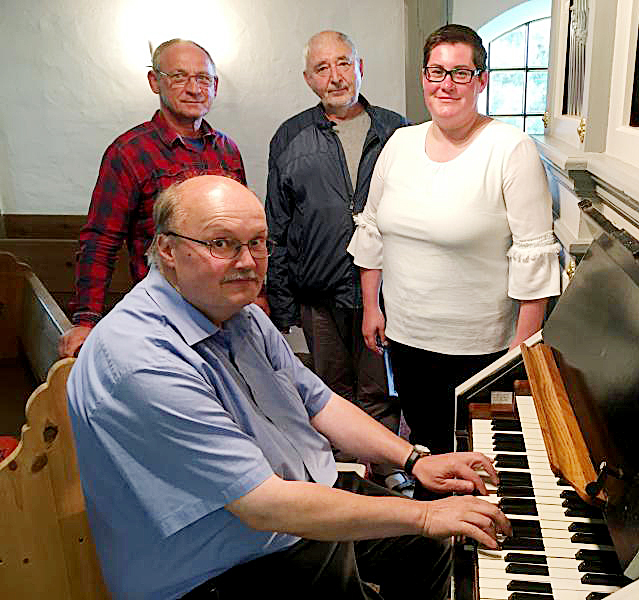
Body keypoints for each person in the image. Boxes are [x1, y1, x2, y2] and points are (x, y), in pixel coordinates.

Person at [67, 175, 510, 600]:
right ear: (167, 248)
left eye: (257, 242)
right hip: (217, 567)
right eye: (221, 243)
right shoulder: (143, 360)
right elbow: (263, 505)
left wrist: (413, 459)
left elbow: (320, 403)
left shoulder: (241, 315)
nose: (246, 261)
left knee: (436, 549)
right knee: (429, 526)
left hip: (290, 508)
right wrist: (426, 513)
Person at [348, 25, 561, 499]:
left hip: (479, 351)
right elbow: (373, 231)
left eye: (460, 73)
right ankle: (430, 544)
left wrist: (518, 354)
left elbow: (535, 259)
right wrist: (371, 307)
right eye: (436, 71)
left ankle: (468, 552)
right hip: (406, 339)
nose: (445, 84)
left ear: (481, 80)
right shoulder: (399, 144)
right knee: (426, 453)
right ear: (424, 76)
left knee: (476, 466)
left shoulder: (511, 149)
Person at [266, 31, 409, 491]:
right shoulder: (290, 136)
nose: (335, 76)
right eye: (322, 68)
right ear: (309, 79)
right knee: (329, 391)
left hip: (384, 293)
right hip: (318, 294)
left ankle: (388, 477)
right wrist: (282, 304)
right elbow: (278, 224)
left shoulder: (397, 130)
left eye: (343, 64)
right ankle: (347, 481)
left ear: (360, 67)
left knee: (382, 390)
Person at [58, 38, 247, 359]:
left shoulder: (226, 150)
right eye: (178, 76)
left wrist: (256, 295)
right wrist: (86, 319)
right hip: (165, 315)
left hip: (227, 311)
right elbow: (100, 240)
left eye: (203, 78)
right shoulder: (129, 152)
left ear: (214, 86)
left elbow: (242, 234)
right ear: (154, 81)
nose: (193, 88)